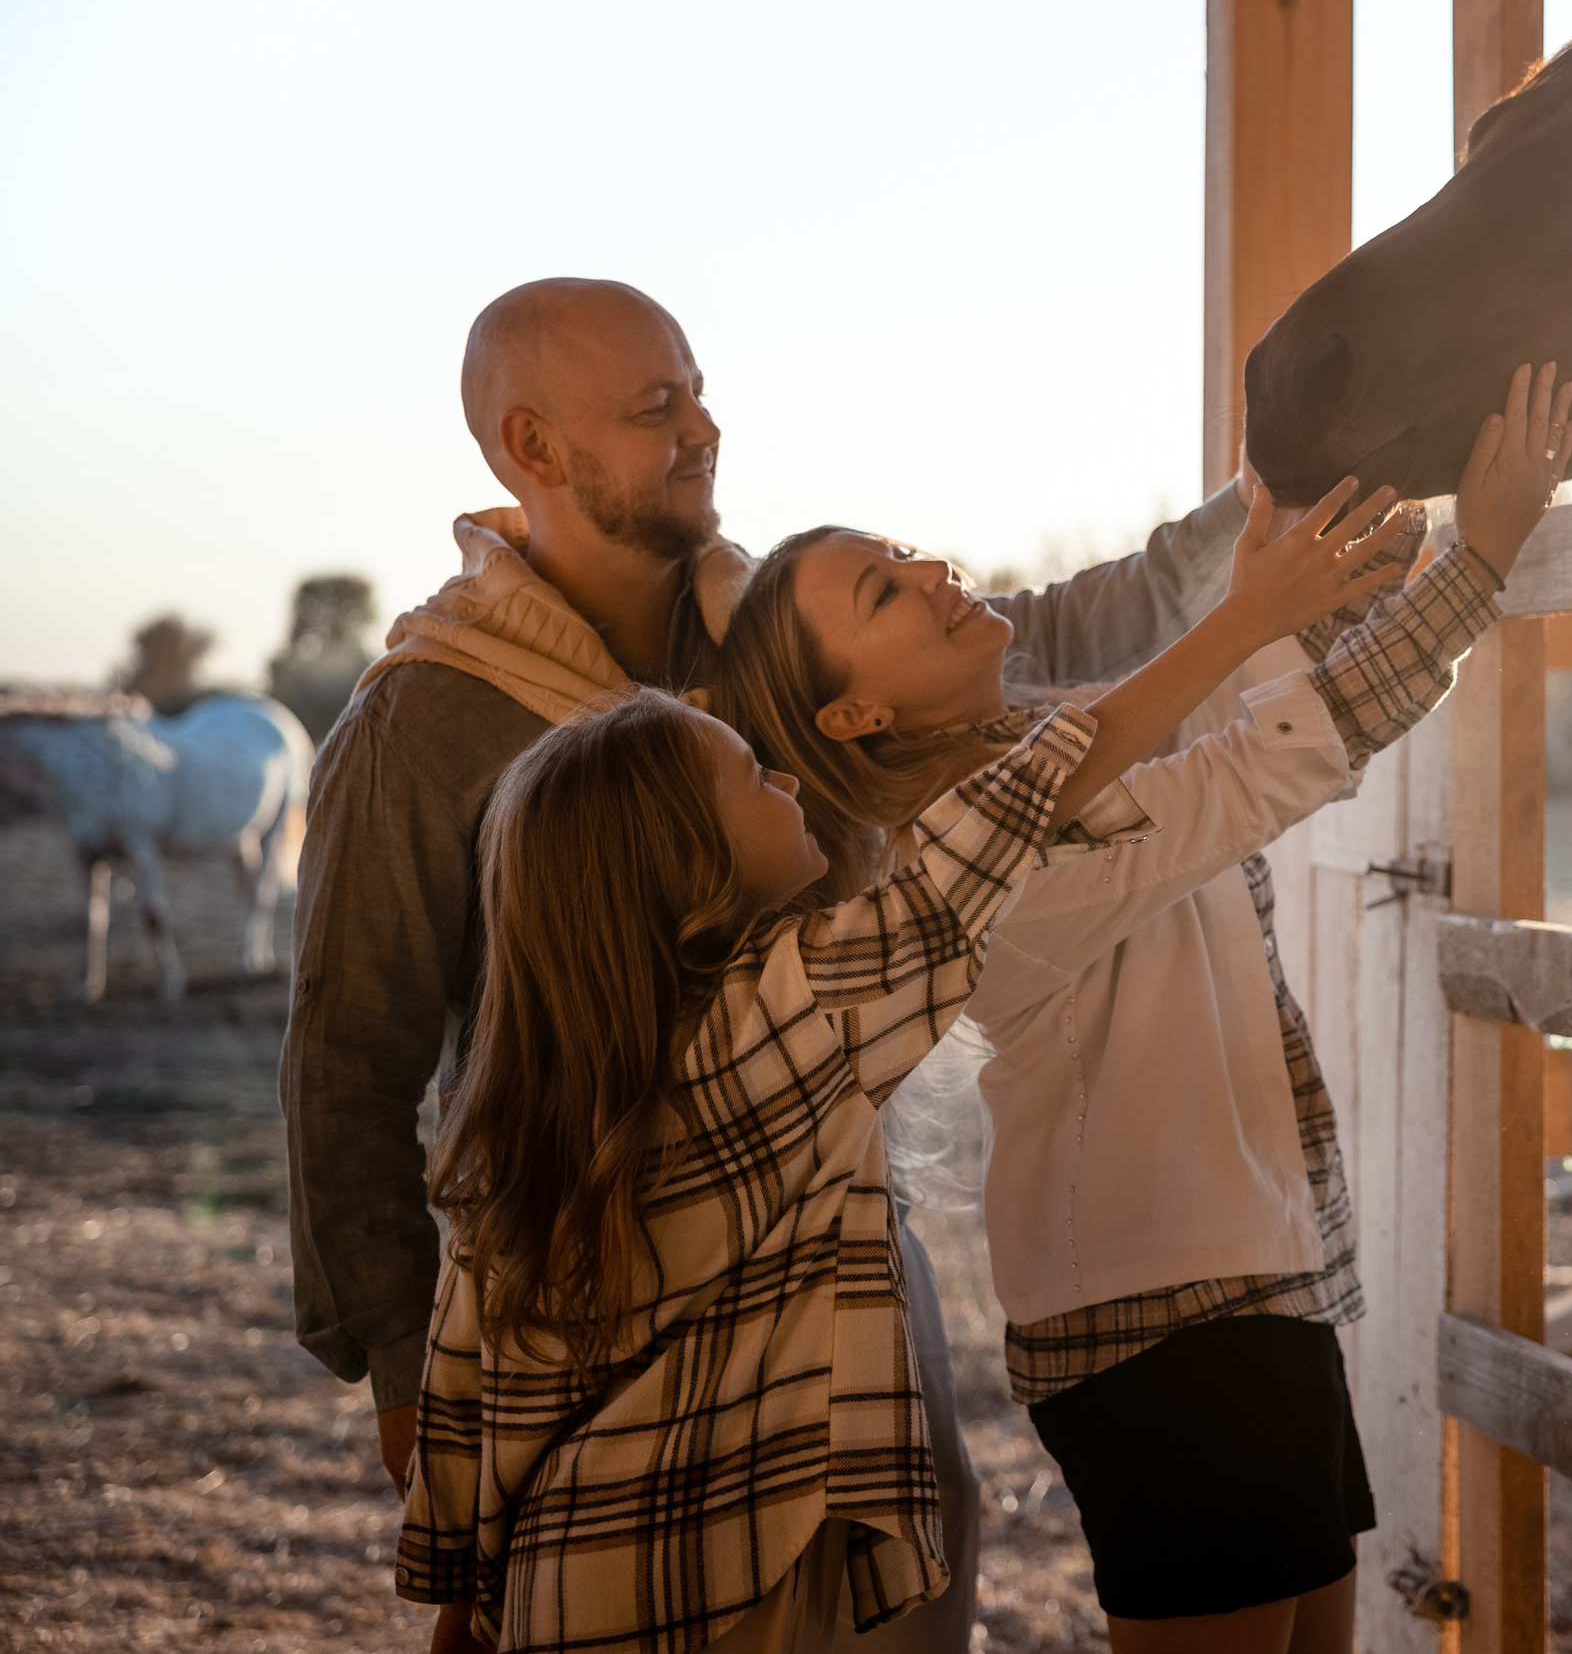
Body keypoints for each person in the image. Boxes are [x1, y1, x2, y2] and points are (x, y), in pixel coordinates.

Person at [278, 276, 1255, 1652]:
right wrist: (400, 1365)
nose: (703, 427)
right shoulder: (422, 723)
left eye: (696, 389)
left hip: (835, 1223)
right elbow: (347, 1060)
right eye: (654, 406)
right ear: (532, 448)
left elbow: (1063, 630)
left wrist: (1279, 487)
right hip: (586, 1273)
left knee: (911, 1564)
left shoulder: (774, 637)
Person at [397, 490, 1412, 1654]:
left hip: (569, 1591)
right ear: (692, 874)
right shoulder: (795, 1008)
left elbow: (470, 1387)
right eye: (754, 781)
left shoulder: (526, 1127)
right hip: (743, 1575)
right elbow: (1006, 817)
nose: (786, 782)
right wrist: (1242, 621)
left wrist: (462, 1591)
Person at [714, 362, 1572, 1654]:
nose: (934, 571)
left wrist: (1311, 568)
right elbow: (1277, 755)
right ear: (855, 711)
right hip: (1166, 1335)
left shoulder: (1061, 734)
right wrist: (1483, 554)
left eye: (908, 551)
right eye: (883, 590)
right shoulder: (957, 860)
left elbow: (1251, 702)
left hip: (1256, 1289)